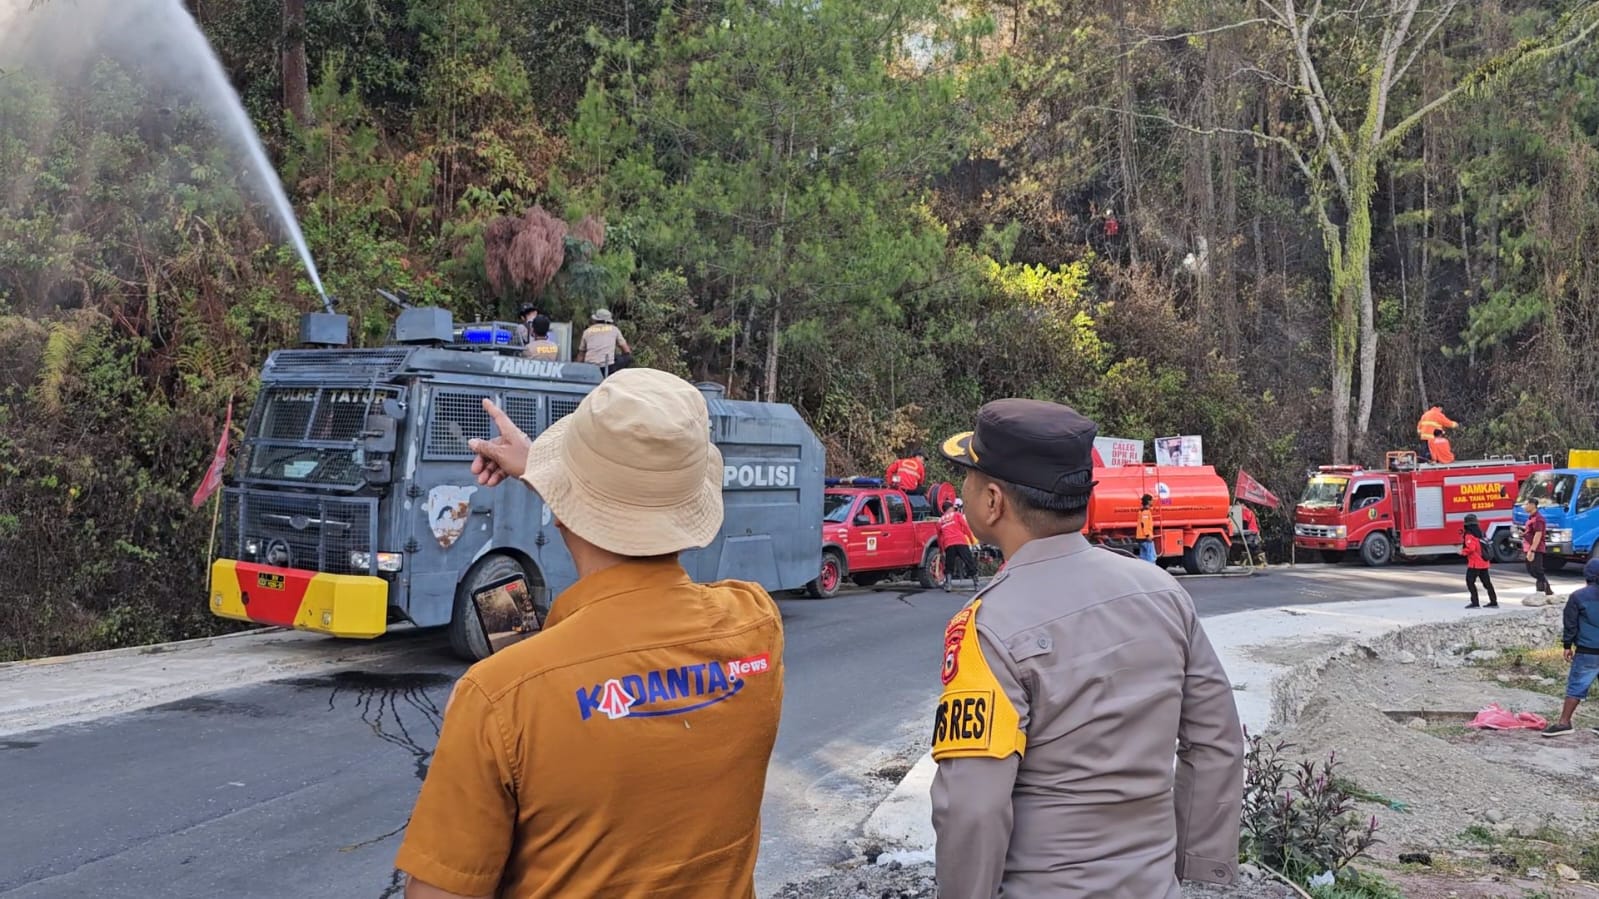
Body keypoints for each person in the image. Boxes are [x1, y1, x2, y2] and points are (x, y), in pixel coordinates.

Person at [394, 369, 785, 899]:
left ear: (560, 517)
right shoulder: (757, 627)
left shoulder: (501, 696)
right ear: (692, 510)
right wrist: (565, 482)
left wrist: (557, 481)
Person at [932, 398, 1245, 898]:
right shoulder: (1164, 594)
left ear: (993, 501)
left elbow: (972, 807)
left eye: (967, 476)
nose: (962, 490)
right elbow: (1216, 743)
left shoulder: (988, 626)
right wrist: (1196, 864)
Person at [1543, 558, 1599, 737]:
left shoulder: (1578, 596)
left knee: (1576, 687)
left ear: (1587, 576)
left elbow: (1571, 624)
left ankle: (1564, 723)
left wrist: (1567, 645)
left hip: (1588, 651)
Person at [938, 498, 980, 592]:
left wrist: (942, 550)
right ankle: (976, 584)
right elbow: (966, 528)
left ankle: (948, 585)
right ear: (951, 508)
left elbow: (940, 538)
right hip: (961, 542)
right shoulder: (957, 515)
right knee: (969, 562)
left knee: (949, 565)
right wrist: (972, 541)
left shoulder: (940, 521)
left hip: (949, 544)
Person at [1461, 514, 1498, 609]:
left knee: (1470, 582)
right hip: (1484, 562)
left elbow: (1471, 548)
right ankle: (1493, 602)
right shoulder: (1481, 533)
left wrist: (1462, 552)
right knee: (1487, 583)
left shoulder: (1469, 535)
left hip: (1474, 564)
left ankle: (1475, 602)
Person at [577, 308, 631, 373]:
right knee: (626, 357)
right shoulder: (614, 330)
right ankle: (617, 375)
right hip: (608, 367)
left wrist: (578, 367)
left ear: (595, 320)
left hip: (590, 366)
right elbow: (626, 350)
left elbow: (581, 354)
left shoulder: (587, 331)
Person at [1523, 499, 1555, 597]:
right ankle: (1545, 590)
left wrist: (1532, 550)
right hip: (1528, 546)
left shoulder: (1538, 519)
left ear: (1533, 505)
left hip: (1535, 548)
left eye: (1526, 504)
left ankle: (1544, 591)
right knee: (1531, 570)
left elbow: (1538, 535)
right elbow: (1532, 532)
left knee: (1537, 570)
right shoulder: (1531, 518)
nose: (1524, 506)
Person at [1136, 493, 1158, 564]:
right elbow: (1144, 525)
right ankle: (1152, 572)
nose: (1153, 502)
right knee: (1151, 557)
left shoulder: (1141, 511)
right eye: (1151, 500)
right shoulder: (1146, 512)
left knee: (1143, 558)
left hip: (1140, 538)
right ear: (1148, 501)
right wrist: (1148, 535)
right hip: (1145, 538)